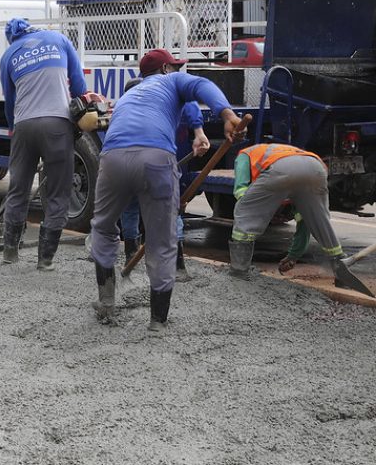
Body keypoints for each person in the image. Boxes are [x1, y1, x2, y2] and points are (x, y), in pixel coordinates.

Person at [90, 48, 242, 332]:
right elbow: (200, 86)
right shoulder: (171, 81)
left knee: (103, 227)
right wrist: (227, 114)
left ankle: (106, 304)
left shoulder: (128, 97)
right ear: (164, 70)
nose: (176, 71)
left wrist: (198, 134)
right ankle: (157, 321)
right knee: (161, 239)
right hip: (155, 160)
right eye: (174, 67)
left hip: (112, 159)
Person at [0, 17, 88, 270]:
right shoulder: (58, 40)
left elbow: (9, 101)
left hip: (24, 126)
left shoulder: (8, 56)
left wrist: (13, 128)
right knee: (58, 193)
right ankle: (45, 260)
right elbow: (78, 83)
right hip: (57, 124)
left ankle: (10, 253)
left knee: (18, 189)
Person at [120, 99, 208, 281]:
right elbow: (190, 104)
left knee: (130, 210)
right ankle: (178, 266)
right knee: (171, 212)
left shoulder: (124, 111)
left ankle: (131, 257)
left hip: (130, 167)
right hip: (160, 167)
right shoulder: (164, 109)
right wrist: (199, 131)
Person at [229, 143, 346, 281]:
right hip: (316, 168)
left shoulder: (245, 154)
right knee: (318, 221)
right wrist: (293, 256)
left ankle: (239, 270)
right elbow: (304, 223)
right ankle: (342, 273)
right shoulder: (284, 150)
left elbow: (241, 190)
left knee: (244, 209)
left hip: (281, 170)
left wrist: (256, 209)